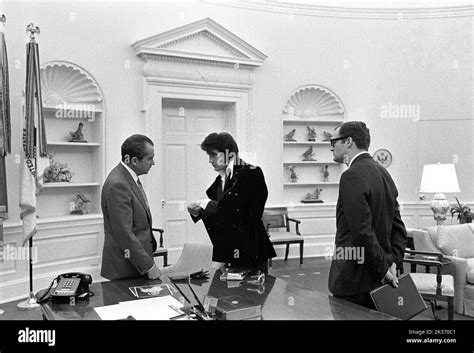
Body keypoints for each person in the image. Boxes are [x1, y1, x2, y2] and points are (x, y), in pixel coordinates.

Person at [328, 121, 407, 309]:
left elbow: (362, 231)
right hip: (380, 278)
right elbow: (398, 228)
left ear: (348, 141)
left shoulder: (351, 175)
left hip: (354, 280)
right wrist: (392, 262)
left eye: (333, 141)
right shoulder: (384, 173)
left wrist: (383, 270)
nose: (331, 147)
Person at [187, 132, 276, 273]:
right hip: (229, 254)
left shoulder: (251, 173)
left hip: (250, 252)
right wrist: (198, 212)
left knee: (251, 294)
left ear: (229, 153)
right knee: (227, 294)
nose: (210, 160)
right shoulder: (221, 180)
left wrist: (204, 203)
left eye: (213, 155)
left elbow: (238, 212)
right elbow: (220, 215)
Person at [100, 134, 161, 280]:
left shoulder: (130, 178)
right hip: (125, 268)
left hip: (135, 264)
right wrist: (149, 266)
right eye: (149, 158)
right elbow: (124, 233)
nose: (153, 163)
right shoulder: (118, 184)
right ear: (134, 160)